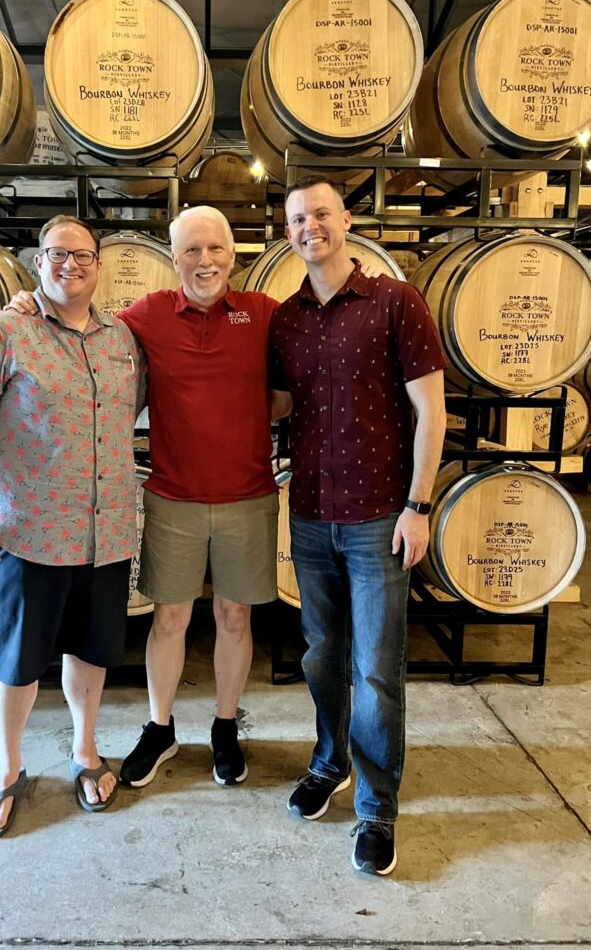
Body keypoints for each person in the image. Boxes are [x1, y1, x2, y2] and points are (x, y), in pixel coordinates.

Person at [9, 206, 289, 789]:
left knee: (235, 617)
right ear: (174, 256)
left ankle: (224, 727)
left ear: (233, 254)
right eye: (191, 250)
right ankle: (160, 728)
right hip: (173, 496)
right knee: (170, 617)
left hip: (248, 495)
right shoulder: (147, 316)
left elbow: (293, 387)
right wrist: (29, 302)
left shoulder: (265, 315)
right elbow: (80, 324)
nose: (204, 261)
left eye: (214, 249)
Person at [0, 214, 143, 836]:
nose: (70, 266)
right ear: (38, 262)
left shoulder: (121, 338)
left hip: (103, 532)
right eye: (57, 254)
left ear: (99, 265)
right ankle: (8, 766)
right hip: (25, 532)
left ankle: (85, 751)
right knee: (16, 660)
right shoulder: (4, 331)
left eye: (82, 256)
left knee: (90, 649)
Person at [269, 174, 447, 876]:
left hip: (380, 515)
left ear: (345, 218)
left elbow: (431, 411)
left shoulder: (397, 302)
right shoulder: (284, 318)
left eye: (320, 213)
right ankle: (329, 762)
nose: (309, 226)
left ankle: (376, 808)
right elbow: (279, 404)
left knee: (376, 673)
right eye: (295, 219)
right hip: (310, 513)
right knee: (321, 657)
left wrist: (421, 504)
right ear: (286, 233)